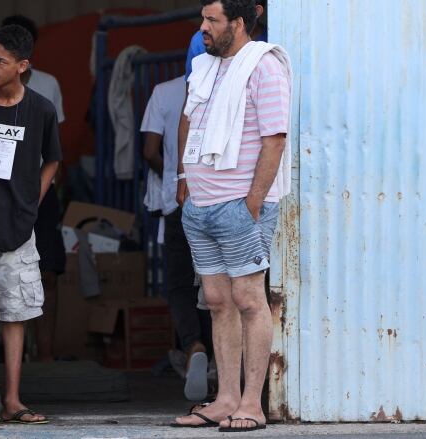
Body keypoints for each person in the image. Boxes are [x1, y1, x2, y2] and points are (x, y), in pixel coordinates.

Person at [171, 0, 292, 433]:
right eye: (203, 18)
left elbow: (274, 139)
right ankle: (224, 401)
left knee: (248, 301)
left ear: (238, 24)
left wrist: (254, 202)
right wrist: (184, 176)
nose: (202, 27)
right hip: (201, 206)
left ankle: (252, 405)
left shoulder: (263, 66)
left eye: (211, 20)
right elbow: (188, 121)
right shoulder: (203, 66)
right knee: (219, 303)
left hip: (240, 207)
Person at [0, 24, 61, 425]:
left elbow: (53, 159)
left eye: (0, 61)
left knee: (14, 314)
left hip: (18, 225)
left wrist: (34, 199)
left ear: (23, 66)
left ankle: (12, 400)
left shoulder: (42, 110)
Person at [140, 75, 213, 401]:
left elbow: (149, 150)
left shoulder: (163, 91)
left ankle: (192, 344)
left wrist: (172, 174)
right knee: (215, 284)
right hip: (220, 200)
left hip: (177, 201)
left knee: (179, 284)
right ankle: (216, 358)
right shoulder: (233, 84)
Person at [1, 14, 66, 363]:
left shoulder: (47, 87)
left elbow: (55, 151)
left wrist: (40, 197)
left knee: (49, 271)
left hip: (38, 193)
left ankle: (47, 356)